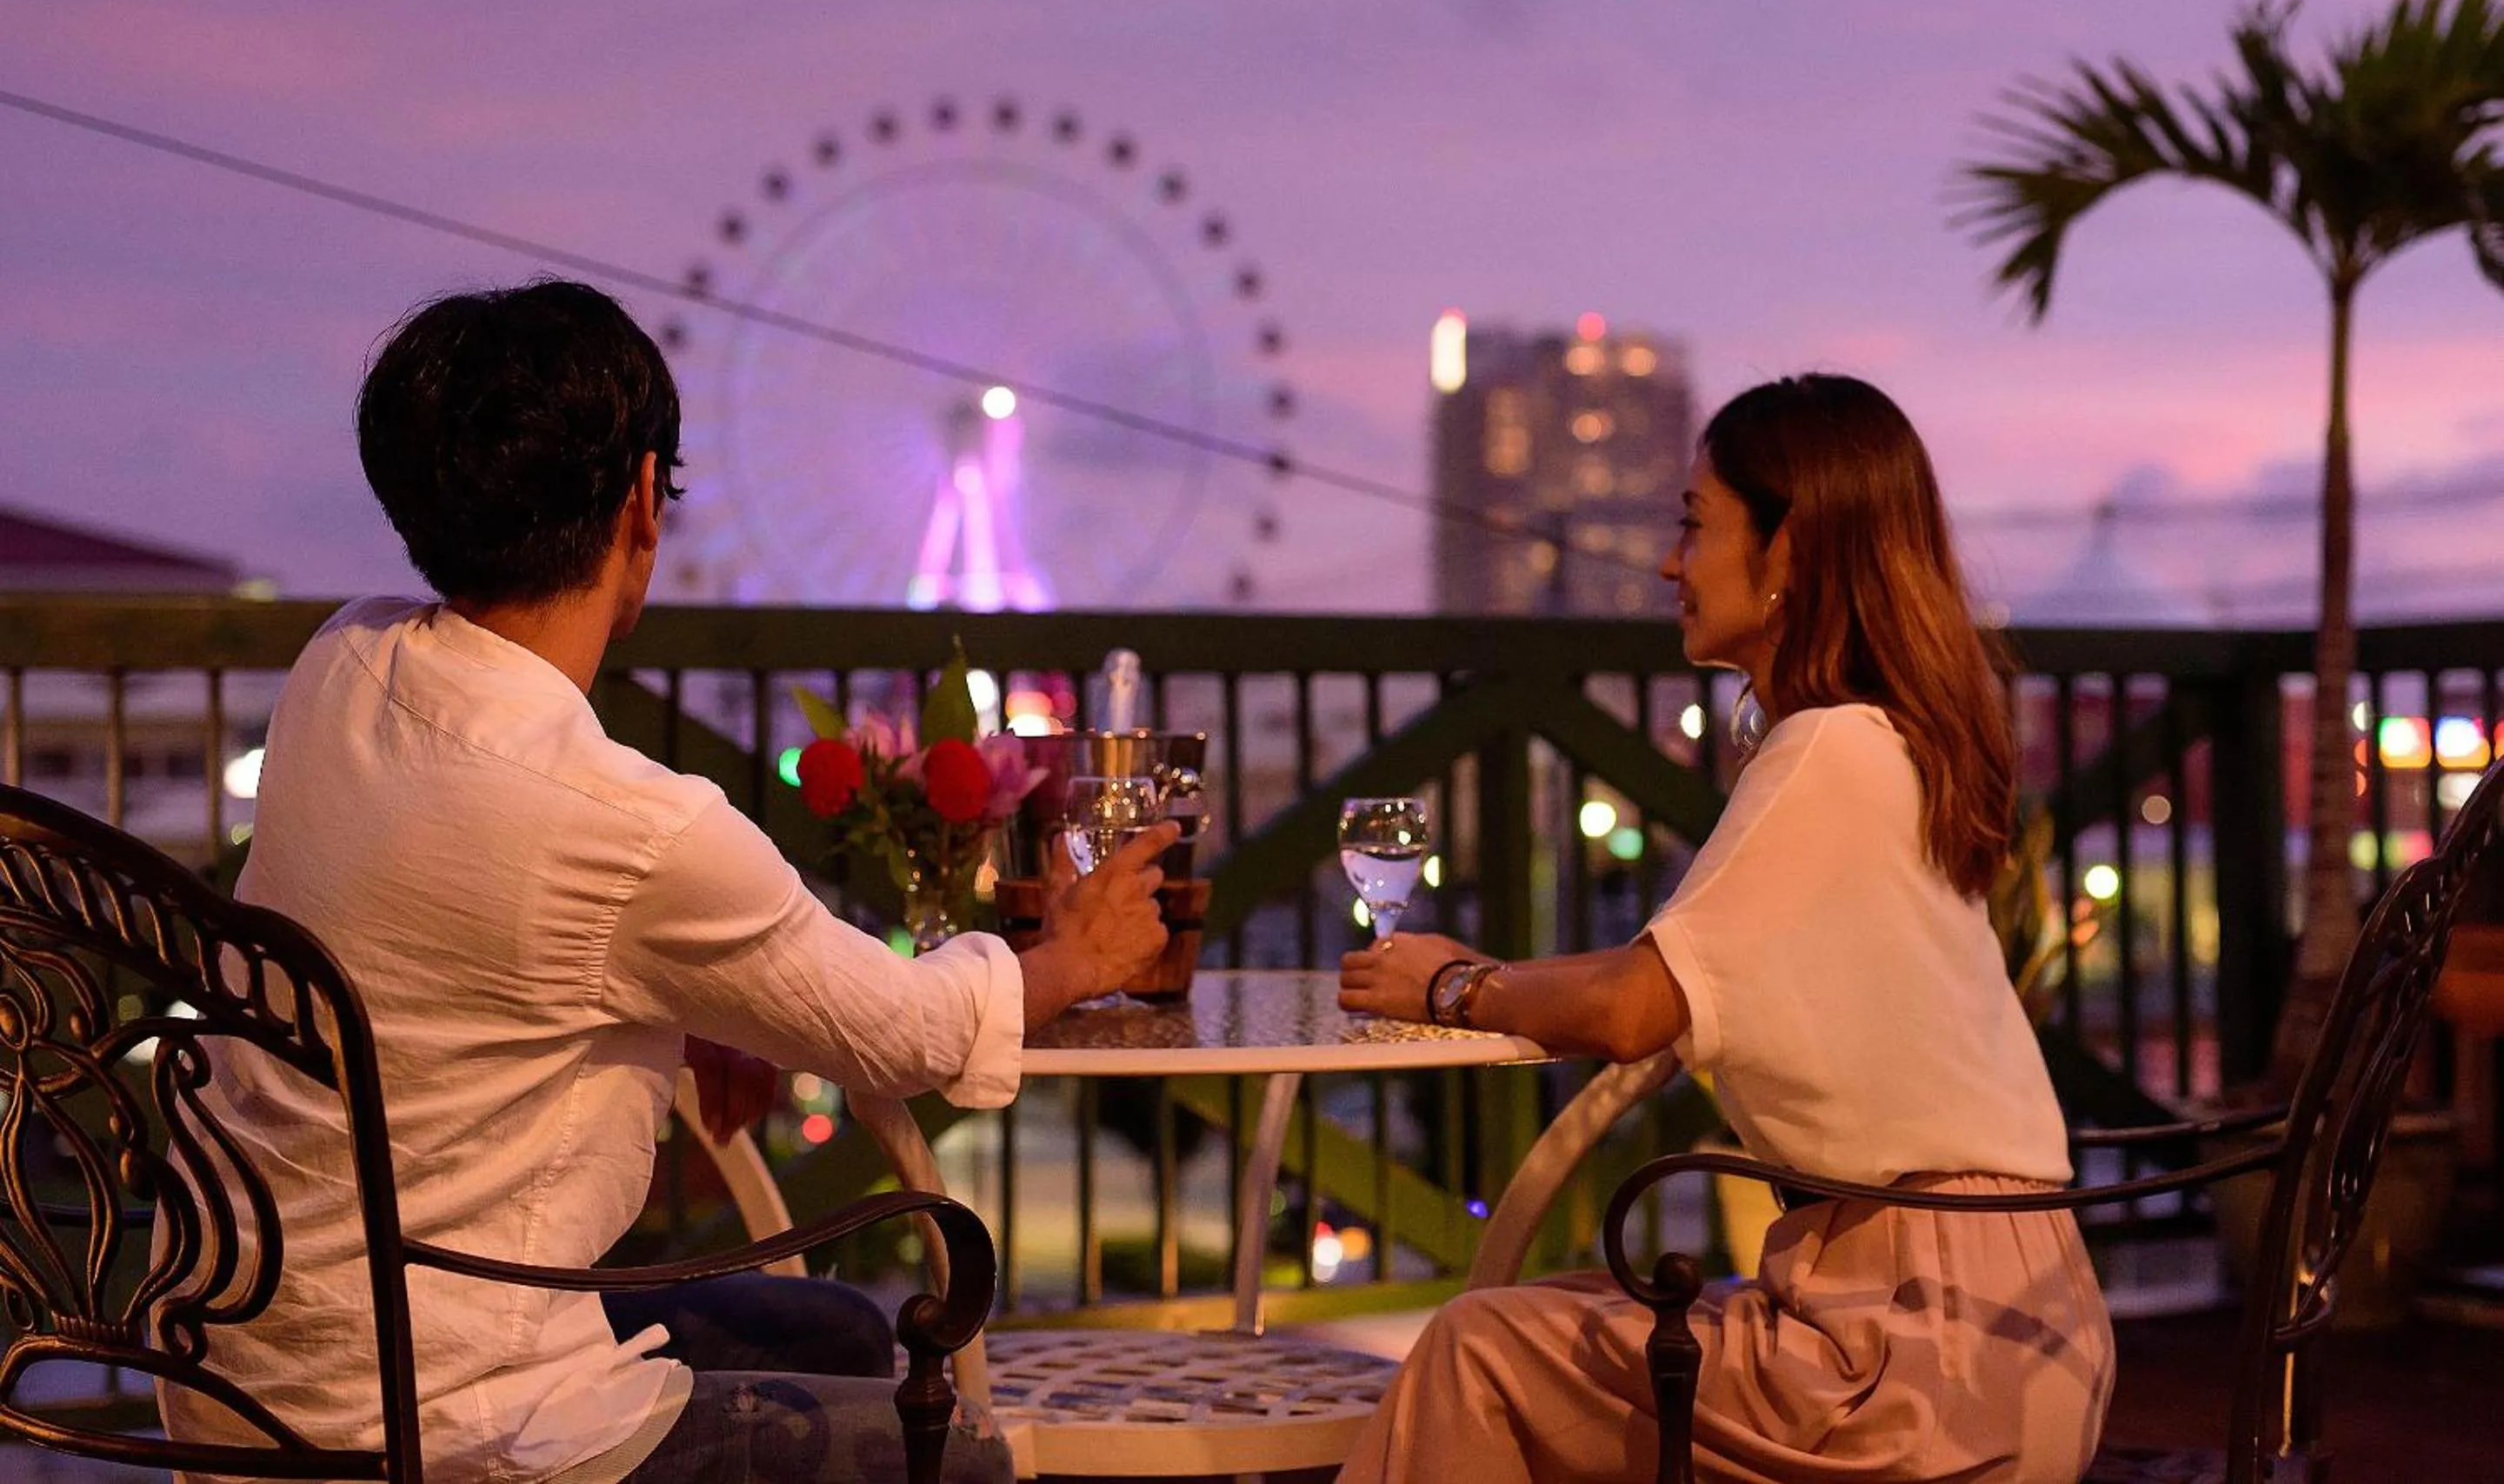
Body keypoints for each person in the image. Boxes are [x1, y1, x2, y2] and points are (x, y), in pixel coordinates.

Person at [163, 280, 1169, 1484]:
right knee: (962, 1463)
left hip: (243, 1366)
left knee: (844, 1331)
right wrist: (1079, 955)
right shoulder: (628, 824)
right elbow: (905, 1033)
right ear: (642, 496)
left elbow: (456, 929)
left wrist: (684, 998)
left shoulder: (340, 665)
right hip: (451, 1420)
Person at [1337, 375, 2114, 1484]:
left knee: (1479, 1353)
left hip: (1907, 1359)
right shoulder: (1894, 746)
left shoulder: (1828, 752)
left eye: (1694, 525)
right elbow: (1682, 980)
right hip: (2022, 1338)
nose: (1669, 564)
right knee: (1540, 1325)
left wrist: (1453, 989)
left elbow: (1627, 1007)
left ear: (1790, 548)